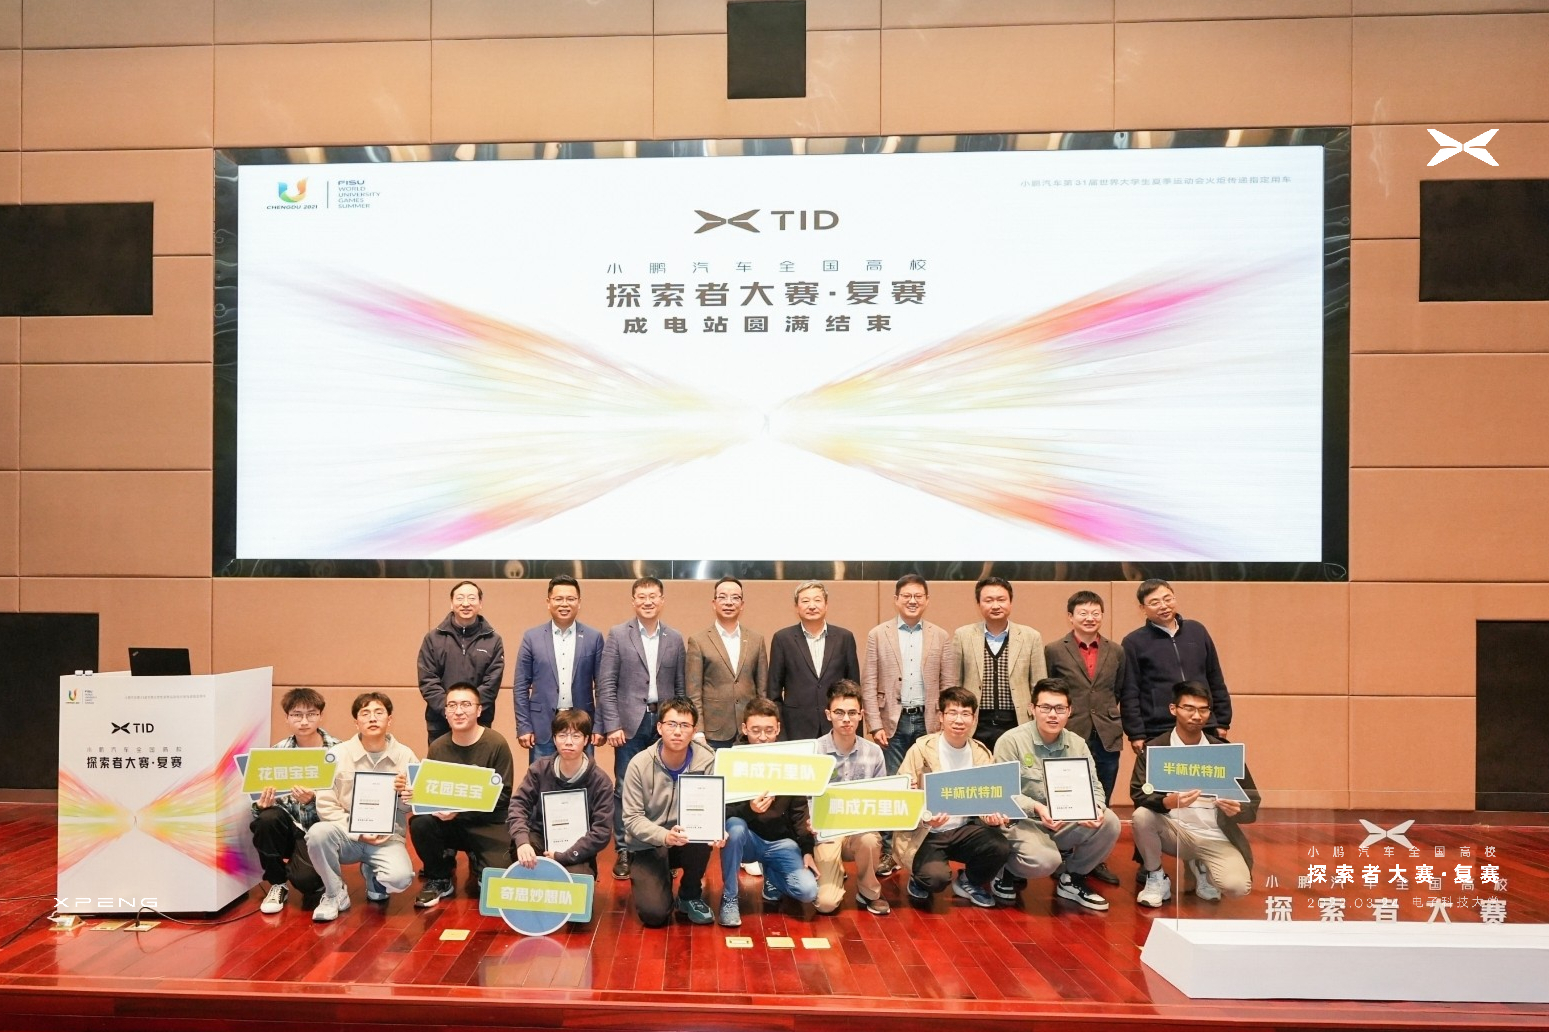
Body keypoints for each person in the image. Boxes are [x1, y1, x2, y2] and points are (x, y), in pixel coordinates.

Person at [991, 679, 1120, 911]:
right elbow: (1002, 793)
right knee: (1046, 861)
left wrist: (1096, 808)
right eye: (1045, 707)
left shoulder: (1077, 744)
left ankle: (1072, 878)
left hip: (1062, 821)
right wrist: (1037, 807)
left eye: (1060, 708)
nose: (1053, 715)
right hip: (1023, 823)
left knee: (1109, 821)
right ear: (1032, 709)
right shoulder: (1011, 741)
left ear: (1069, 711)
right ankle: (1005, 870)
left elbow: (1094, 786)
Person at [1131, 682, 1260, 908]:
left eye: (1203, 710)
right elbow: (1139, 792)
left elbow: (1252, 800)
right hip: (1175, 833)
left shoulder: (1223, 752)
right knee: (1141, 816)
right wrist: (1166, 802)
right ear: (1173, 709)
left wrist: (1239, 809)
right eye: (1189, 708)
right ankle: (1156, 877)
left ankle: (1200, 866)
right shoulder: (1156, 749)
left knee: (1237, 887)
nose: (1197, 716)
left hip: (1214, 835)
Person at [597, 576, 687, 879]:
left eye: (653, 596)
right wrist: (612, 725)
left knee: (664, 786)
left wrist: (680, 725)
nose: (648, 601)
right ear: (633, 601)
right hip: (628, 725)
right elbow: (606, 684)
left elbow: (680, 687)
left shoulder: (675, 638)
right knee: (625, 785)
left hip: (665, 723)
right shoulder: (618, 634)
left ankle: (661, 847)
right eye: (642, 596)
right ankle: (625, 849)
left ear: (662, 600)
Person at [862, 573, 949, 878]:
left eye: (918, 596)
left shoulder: (941, 636)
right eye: (906, 596)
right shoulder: (878, 634)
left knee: (928, 787)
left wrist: (945, 723)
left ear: (926, 600)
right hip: (892, 723)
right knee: (893, 787)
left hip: (928, 721)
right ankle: (889, 851)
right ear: (896, 599)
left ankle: (925, 849)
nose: (912, 601)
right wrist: (874, 724)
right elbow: (869, 682)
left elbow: (949, 684)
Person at [305, 692, 419, 922]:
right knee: (317, 833)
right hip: (347, 835)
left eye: (379, 712)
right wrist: (357, 832)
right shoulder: (337, 755)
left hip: (386, 837)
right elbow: (325, 805)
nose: (372, 718)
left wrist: (404, 795)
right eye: (365, 713)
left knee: (400, 879)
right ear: (356, 722)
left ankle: (373, 873)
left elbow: (413, 806)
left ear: (389, 719)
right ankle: (334, 893)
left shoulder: (405, 755)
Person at [895, 686, 1012, 908]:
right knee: (936, 879)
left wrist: (991, 816)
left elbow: (988, 799)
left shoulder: (981, 753)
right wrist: (925, 817)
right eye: (952, 713)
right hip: (927, 832)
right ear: (941, 716)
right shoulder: (921, 750)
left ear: (974, 719)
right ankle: (919, 877)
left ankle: (969, 881)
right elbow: (901, 797)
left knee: (1000, 846)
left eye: (966, 713)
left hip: (963, 830)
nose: (959, 720)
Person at [406, 683, 516, 908]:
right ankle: (439, 877)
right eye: (452, 705)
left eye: (466, 704)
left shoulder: (497, 744)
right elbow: (432, 793)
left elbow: (503, 796)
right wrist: (415, 794)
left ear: (479, 710)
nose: (458, 711)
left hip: (488, 825)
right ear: (445, 711)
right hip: (452, 824)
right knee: (420, 822)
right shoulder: (438, 747)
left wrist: (460, 810)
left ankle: (480, 859)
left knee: (496, 884)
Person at [1042, 589, 1126, 886]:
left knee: (1103, 795)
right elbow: (1049, 689)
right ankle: (1064, 853)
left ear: (1102, 615)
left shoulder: (1116, 651)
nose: (1090, 618)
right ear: (1070, 616)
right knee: (1067, 793)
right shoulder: (1054, 650)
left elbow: (1119, 690)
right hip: (1070, 732)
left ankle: (1095, 858)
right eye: (1083, 613)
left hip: (1106, 733)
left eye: (1095, 613)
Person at [715, 698, 820, 927]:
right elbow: (720, 810)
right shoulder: (731, 760)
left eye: (769, 730)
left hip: (781, 842)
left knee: (808, 891)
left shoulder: (790, 760)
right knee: (735, 826)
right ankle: (730, 898)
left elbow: (799, 812)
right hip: (746, 840)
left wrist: (807, 849)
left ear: (778, 729)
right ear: (744, 729)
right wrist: (749, 809)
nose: (762, 737)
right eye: (756, 730)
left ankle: (772, 875)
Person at [619, 697, 717, 927]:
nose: (678, 732)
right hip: (647, 844)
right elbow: (632, 819)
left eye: (685, 726)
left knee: (702, 837)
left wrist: (716, 828)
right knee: (655, 916)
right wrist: (664, 836)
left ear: (694, 731)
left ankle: (689, 895)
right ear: (659, 727)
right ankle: (655, 879)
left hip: (686, 839)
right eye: (671, 724)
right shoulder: (639, 764)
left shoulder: (707, 760)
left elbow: (712, 806)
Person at [251, 688, 341, 915]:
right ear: (287, 718)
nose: (304, 721)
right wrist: (261, 805)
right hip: (289, 827)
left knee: (307, 882)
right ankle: (277, 884)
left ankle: (322, 876)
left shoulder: (339, 751)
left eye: (311, 714)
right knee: (266, 819)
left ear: (321, 716)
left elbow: (345, 799)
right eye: (297, 715)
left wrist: (315, 800)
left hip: (321, 830)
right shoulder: (275, 753)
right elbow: (256, 802)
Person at [1120, 579, 1233, 750]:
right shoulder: (1134, 642)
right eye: (1154, 602)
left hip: (1202, 723)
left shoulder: (1197, 631)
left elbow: (1215, 677)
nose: (1163, 606)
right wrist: (1136, 733)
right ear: (1142, 608)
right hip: (1158, 729)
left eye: (1168, 599)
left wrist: (1222, 721)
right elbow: (1130, 691)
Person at [813, 680, 890, 916]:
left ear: (861, 715)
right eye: (839, 713)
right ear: (828, 715)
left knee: (869, 840)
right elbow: (806, 798)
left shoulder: (874, 752)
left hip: (860, 828)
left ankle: (869, 892)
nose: (846, 719)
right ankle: (834, 871)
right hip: (827, 831)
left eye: (852, 713)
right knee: (826, 904)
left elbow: (882, 796)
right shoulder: (815, 751)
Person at [508, 708, 615, 876]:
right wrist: (522, 841)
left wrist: (563, 856)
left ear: (586, 740)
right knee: (523, 860)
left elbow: (601, 831)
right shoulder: (539, 769)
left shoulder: (601, 781)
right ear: (554, 739)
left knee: (576, 878)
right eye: (562, 735)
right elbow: (518, 806)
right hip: (540, 838)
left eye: (576, 736)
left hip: (577, 847)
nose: (568, 742)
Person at [945, 576, 1046, 752]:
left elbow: (1039, 686)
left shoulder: (1031, 637)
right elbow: (955, 684)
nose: (995, 605)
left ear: (1010, 602)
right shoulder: (963, 635)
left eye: (1001, 599)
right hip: (976, 721)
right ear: (978, 604)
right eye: (988, 600)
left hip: (1017, 721)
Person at [515, 575, 604, 761]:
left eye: (570, 599)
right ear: (548, 602)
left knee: (582, 776)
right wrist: (524, 726)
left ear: (579, 603)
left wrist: (599, 725)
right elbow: (520, 686)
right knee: (541, 777)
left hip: (582, 724)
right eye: (558, 599)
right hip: (542, 727)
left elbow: (602, 686)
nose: (564, 604)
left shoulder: (593, 637)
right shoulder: (532, 637)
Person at [766, 581, 860, 741]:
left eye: (817, 600)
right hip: (796, 728)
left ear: (826, 605)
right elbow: (773, 692)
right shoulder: (783, 639)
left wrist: (855, 732)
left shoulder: (844, 638)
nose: (812, 606)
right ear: (796, 607)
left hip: (836, 727)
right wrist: (780, 733)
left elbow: (855, 689)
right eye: (805, 601)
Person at [417, 580, 504, 745]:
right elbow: (428, 680)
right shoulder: (433, 639)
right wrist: (450, 710)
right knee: (440, 763)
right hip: (440, 723)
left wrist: (470, 711)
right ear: (451, 603)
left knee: (478, 763)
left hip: (480, 722)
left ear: (480, 604)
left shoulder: (493, 640)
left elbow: (492, 683)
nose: (465, 603)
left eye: (471, 598)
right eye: (460, 598)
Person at [686, 576, 768, 750]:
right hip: (713, 732)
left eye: (735, 598)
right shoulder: (698, 641)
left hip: (750, 730)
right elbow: (693, 692)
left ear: (742, 604)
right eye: (722, 597)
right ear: (714, 603)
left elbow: (762, 690)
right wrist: (698, 731)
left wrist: (761, 727)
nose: (729, 602)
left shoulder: (756, 640)